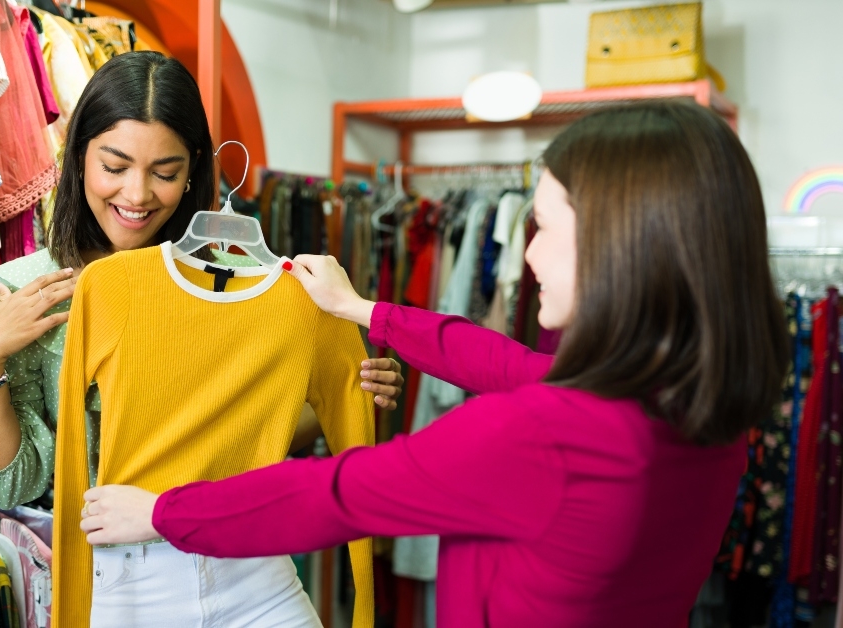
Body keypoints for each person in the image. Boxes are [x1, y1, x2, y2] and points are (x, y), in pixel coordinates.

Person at [79, 102, 790, 627]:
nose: (530, 256)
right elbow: (502, 360)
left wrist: (164, 512)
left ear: (627, 244)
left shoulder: (543, 436)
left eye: (549, 229)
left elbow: (335, 493)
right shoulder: (696, 408)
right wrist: (365, 311)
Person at [0, 51, 404, 625]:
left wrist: (343, 393)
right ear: (78, 157)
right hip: (119, 577)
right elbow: (13, 482)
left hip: (246, 560)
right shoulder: (30, 292)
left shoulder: (237, 281)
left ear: (192, 171)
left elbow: (245, 431)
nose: (137, 194)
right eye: (114, 166)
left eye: (164, 173)